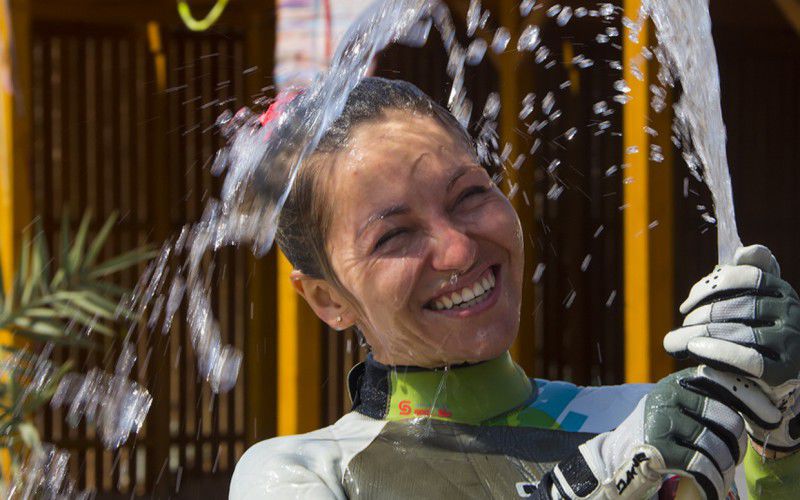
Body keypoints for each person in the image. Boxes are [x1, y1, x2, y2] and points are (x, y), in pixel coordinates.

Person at [229, 78, 800, 499]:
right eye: (394, 235)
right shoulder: (299, 473)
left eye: (470, 195)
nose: (458, 250)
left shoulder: (644, 419)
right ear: (327, 298)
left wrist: (779, 444)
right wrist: (593, 481)